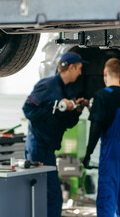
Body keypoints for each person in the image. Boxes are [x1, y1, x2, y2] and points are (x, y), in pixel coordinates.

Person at [22, 52, 89, 217]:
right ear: (71, 67)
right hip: (38, 148)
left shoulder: (66, 90)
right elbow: (28, 109)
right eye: (79, 68)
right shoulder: (48, 85)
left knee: (48, 194)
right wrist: (56, 105)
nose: (80, 73)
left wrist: (76, 110)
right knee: (52, 195)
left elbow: (67, 123)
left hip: (48, 149)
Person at [82, 58, 120, 217]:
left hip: (111, 153)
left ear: (105, 73)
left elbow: (95, 128)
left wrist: (88, 154)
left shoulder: (102, 96)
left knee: (107, 199)